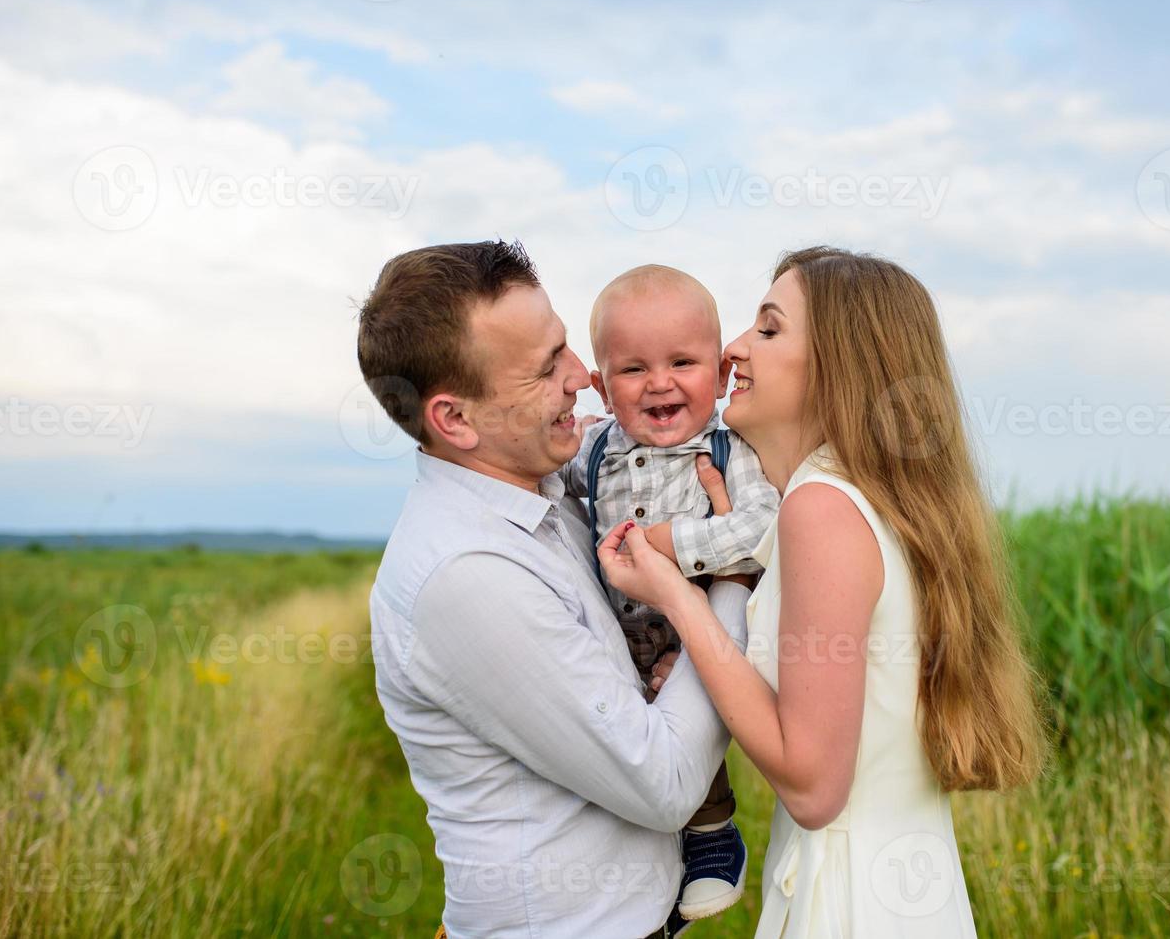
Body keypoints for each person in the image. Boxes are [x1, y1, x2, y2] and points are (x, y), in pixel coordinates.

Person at [598, 245, 1050, 938]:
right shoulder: (860, 501)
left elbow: (812, 787)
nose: (736, 350)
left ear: (840, 365)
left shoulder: (822, 509)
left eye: (770, 329)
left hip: (844, 906)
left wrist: (678, 597)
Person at [356, 241, 750, 938]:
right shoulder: (466, 573)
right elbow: (661, 785)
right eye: (546, 369)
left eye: (564, 348)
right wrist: (730, 580)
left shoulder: (557, 485)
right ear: (455, 420)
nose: (582, 378)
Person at [559, 264, 782, 920]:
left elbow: (763, 528)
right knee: (618, 743)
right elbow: (547, 480)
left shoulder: (727, 449)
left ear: (717, 376)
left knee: (689, 721)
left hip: (696, 630)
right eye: (632, 370)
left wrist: (670, 543)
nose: (659, 382)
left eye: (682, 362)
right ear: (602, 385)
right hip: (614, 629)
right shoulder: (596, 447)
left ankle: (713, 834)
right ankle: (637, 864)